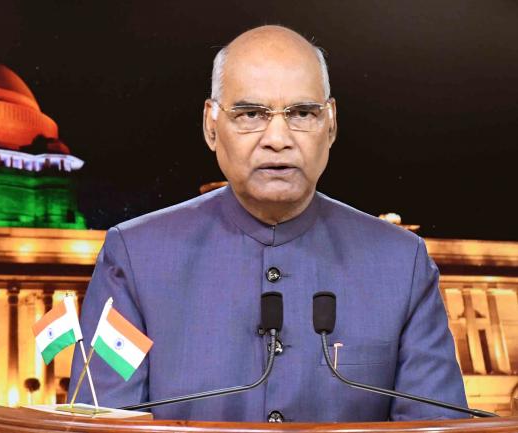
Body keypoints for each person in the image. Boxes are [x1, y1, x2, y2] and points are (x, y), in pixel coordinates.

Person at [69, 25, 468, 422]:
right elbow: (102, 424)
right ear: (211, 126)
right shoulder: (136, 259)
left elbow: (437, 426)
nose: (278, 138)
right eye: (250, 114)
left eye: (302, 113)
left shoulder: (401, 263)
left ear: (331, 124)